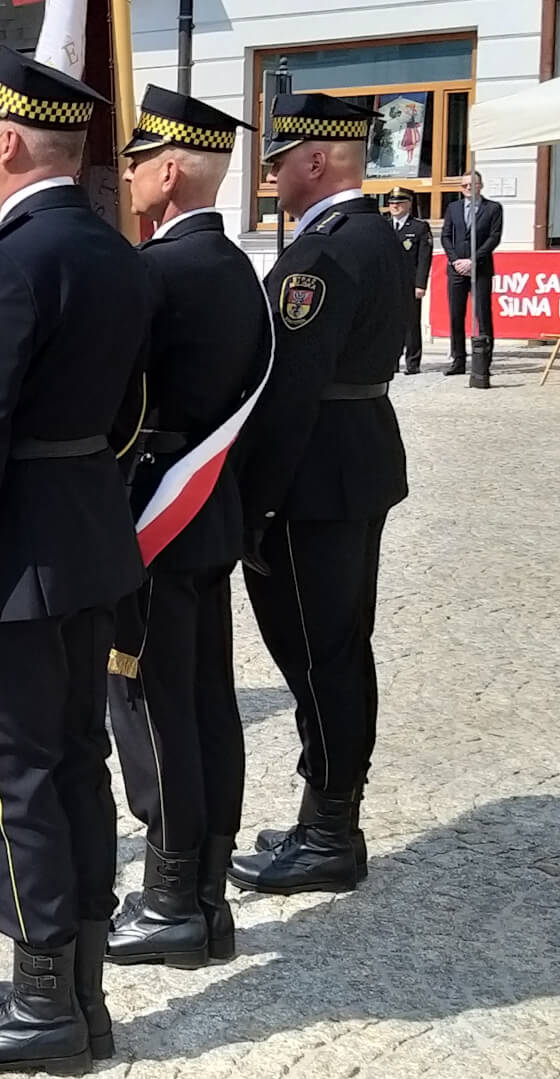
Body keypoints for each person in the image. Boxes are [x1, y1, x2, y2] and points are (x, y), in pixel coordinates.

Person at [0, 47, 150, 1074]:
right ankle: (84, 993)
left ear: (8, 140)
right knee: (75, 762)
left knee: (10, 778)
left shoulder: (3, 263)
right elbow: (139, 411)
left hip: (12, 558)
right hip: (91, 541)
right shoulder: (116, 253)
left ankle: (41, 1002)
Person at [102, 86, 269, 971]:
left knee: (152, 704)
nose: (125, 175)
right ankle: (204, 890)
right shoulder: (235, 265)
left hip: (157, 517)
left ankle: (171, 897)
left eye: (135, 161)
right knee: (207, 701)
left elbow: (119, 405)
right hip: (210, 513)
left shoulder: (157, 272)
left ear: (169, 170)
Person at [228, 92, 410, 897]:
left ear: (315, 159)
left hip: (313, 477)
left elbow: (288, 391)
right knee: (330, 645)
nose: (268, 175)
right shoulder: (367, 234)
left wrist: (252, 504)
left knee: (320, 651)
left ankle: (331, 828)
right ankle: (324, 808)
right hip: (348, 460)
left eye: (276, 160)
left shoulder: (325, 254)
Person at [440, 170, 502, 387]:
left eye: (472, 184)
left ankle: (484, 361)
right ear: (461, 188)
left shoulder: (493, 208)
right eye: (465, 185)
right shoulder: (453, 208)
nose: (468, 188)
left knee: (482, 316)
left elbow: (494, 238)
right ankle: (458, 360)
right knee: (456, 316)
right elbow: (446, 236)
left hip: (481, 268)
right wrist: (456, 260)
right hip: (456, 269)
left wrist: (473, 260)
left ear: (480, 185)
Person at [386, 188, 432, 375]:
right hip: (388, 284)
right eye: (392, 203)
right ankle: (391, 362)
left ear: (409, 204)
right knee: (389, 324)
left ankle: (413, 362)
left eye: (399, 202)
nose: (395, 206)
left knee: (411, 324)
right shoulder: (384, 226)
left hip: (409, 283)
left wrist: (420, 284)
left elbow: (424, 259)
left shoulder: (419, 227)